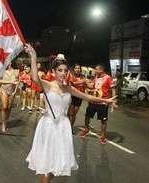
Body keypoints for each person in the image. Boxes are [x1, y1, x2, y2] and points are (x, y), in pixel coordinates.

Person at [24, 44, 117, 183]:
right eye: (59, 70)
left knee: (58, 163)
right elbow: (35, 78)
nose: (63, 73)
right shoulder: (48, 85)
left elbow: (88, 97)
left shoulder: (69, 88)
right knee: (47, 164)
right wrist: (34, 56)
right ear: (54, 72)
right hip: (49, 127)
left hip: (63, 126)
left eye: (65, 70)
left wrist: (107, 100)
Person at [80, 63, 117, 144]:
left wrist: (114, 101)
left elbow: (113, 89)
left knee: (103, 120)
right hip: (93, 101)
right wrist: (85, 83)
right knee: (87, 116)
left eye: (97, 69)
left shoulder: (108, 78)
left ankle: (103, 136)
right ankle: (86, 129)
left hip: (103, 103)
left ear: (101, 70)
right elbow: (91, 86)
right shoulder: (96, 78)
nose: (95, 70)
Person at [0, 61, 19, 132]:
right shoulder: (2, 71)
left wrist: (15, 91)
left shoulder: (16, 71)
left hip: (11, 90)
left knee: (9, 107)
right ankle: (3, 123)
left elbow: (17, 81)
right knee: (4, 106)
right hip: (4, 89)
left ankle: (6, 122)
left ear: (10, 62)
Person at [68, 63, 87, 134]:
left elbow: (85, 86)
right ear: (73, 69)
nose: (77, 69)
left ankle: (71, 126)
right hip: (72, 95)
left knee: (74, 114)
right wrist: (81, 82)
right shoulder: (70, 75)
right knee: (70, 113)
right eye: (76, 68)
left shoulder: (83, 77)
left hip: (79, 96)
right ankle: (68, 127)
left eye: (79, 68)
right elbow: (71, 84)